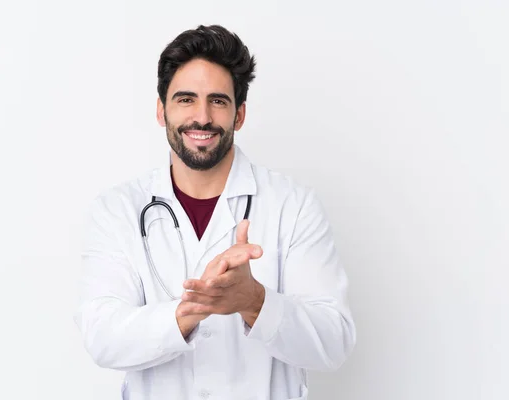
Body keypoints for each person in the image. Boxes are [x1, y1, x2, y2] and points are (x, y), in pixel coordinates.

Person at [74, 24, 356, 400]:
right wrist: (190, 311)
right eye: (186, 99)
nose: (202, 117)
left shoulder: (293, 206)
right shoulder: (118, 209)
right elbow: (102, 336)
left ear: (239, 115)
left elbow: (333, 341)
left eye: (218, 101)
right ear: (162, 110)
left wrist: (254, 301)